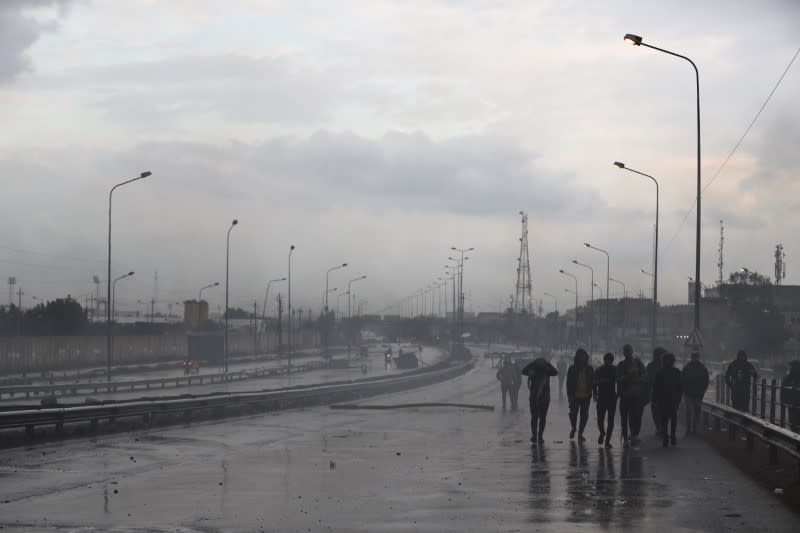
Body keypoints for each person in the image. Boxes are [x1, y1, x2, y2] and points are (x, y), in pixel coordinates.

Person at [521, 357, 559, 443]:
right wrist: (548, 363)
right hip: (544, 398)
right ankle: (540, 436)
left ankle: (535, 436)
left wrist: (532, 363)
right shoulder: (547, 371)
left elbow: (523, 371)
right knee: (542, 418)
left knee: (534, 418)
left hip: (535, 397)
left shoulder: (532, 371)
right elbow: (556, 372)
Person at [616, 344, 646, 447]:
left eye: (629, 351)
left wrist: (636, 379)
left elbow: (644, 378)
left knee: (636, 417)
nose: (627, 353)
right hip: (625, 396)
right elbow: (618, 379)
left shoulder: (638, 363)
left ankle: (634, 435)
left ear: (632, 351)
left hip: (636, 396)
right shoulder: (621, 365)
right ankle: (625, 439)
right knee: (624, 419)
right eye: (625, 351)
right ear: (623, 353)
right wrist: (628, 376)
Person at [654, 352, 683, 447]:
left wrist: (656, 400)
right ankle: (672, 437)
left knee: (664, 420)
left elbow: (656, 388)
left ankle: (666, 438)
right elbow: (680, 387)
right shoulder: (677, 372)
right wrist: (679, 399)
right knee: (673, 419)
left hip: (663, 400)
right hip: (673, 399)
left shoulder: (660, 373)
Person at [566, 348, 594, 441]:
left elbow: (593, 381)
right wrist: (569, 396)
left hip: (586, 396)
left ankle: (580, 433)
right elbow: (568, 383)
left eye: (584, 356)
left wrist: (594, 393)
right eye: (580, 356)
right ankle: (573, 428)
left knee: (584, 415)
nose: (582, 358)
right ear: (577, 358)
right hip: (574, 395)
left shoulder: (590, 369)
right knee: (573, 414)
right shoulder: (572, 368)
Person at [682, 352, 709, 435]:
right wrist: (703, 390)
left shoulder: (687, 367)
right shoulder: (702, 368)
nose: (695, 359)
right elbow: (706, 380)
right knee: (696, 411)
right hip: (697, 393)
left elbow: (682, 379)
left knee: (690, 412)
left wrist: (684, 390)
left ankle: (690, 429)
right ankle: (694, 429)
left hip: (690, 393)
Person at [594, 352, 617, 448]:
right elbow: (594, 383)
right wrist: (594, 394)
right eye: (607, 360)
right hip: (602, 397)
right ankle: (603, 433)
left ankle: (607, 441)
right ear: (604, 360)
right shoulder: (599, 370)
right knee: (600, 419)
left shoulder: (615, 370)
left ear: (612, 361)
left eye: (610, 360)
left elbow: (619, 381)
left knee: (610, 420)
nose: (608, 362)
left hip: (610, 397)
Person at [645, 348, 665, 437]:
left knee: (656, 411)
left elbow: (647, 380)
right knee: (662, 411)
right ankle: (661, 428)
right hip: (662, 393)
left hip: (654, 393)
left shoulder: (650, 366)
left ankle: (659, 427)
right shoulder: (665, 365)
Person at [781, 360, 800, 431]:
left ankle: (794, 436)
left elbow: (783, 386)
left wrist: (783, 400)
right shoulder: (790, 376)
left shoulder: (790, 376)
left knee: (793, 422)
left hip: (792, 402)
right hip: (794, 402)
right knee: (795, 422)